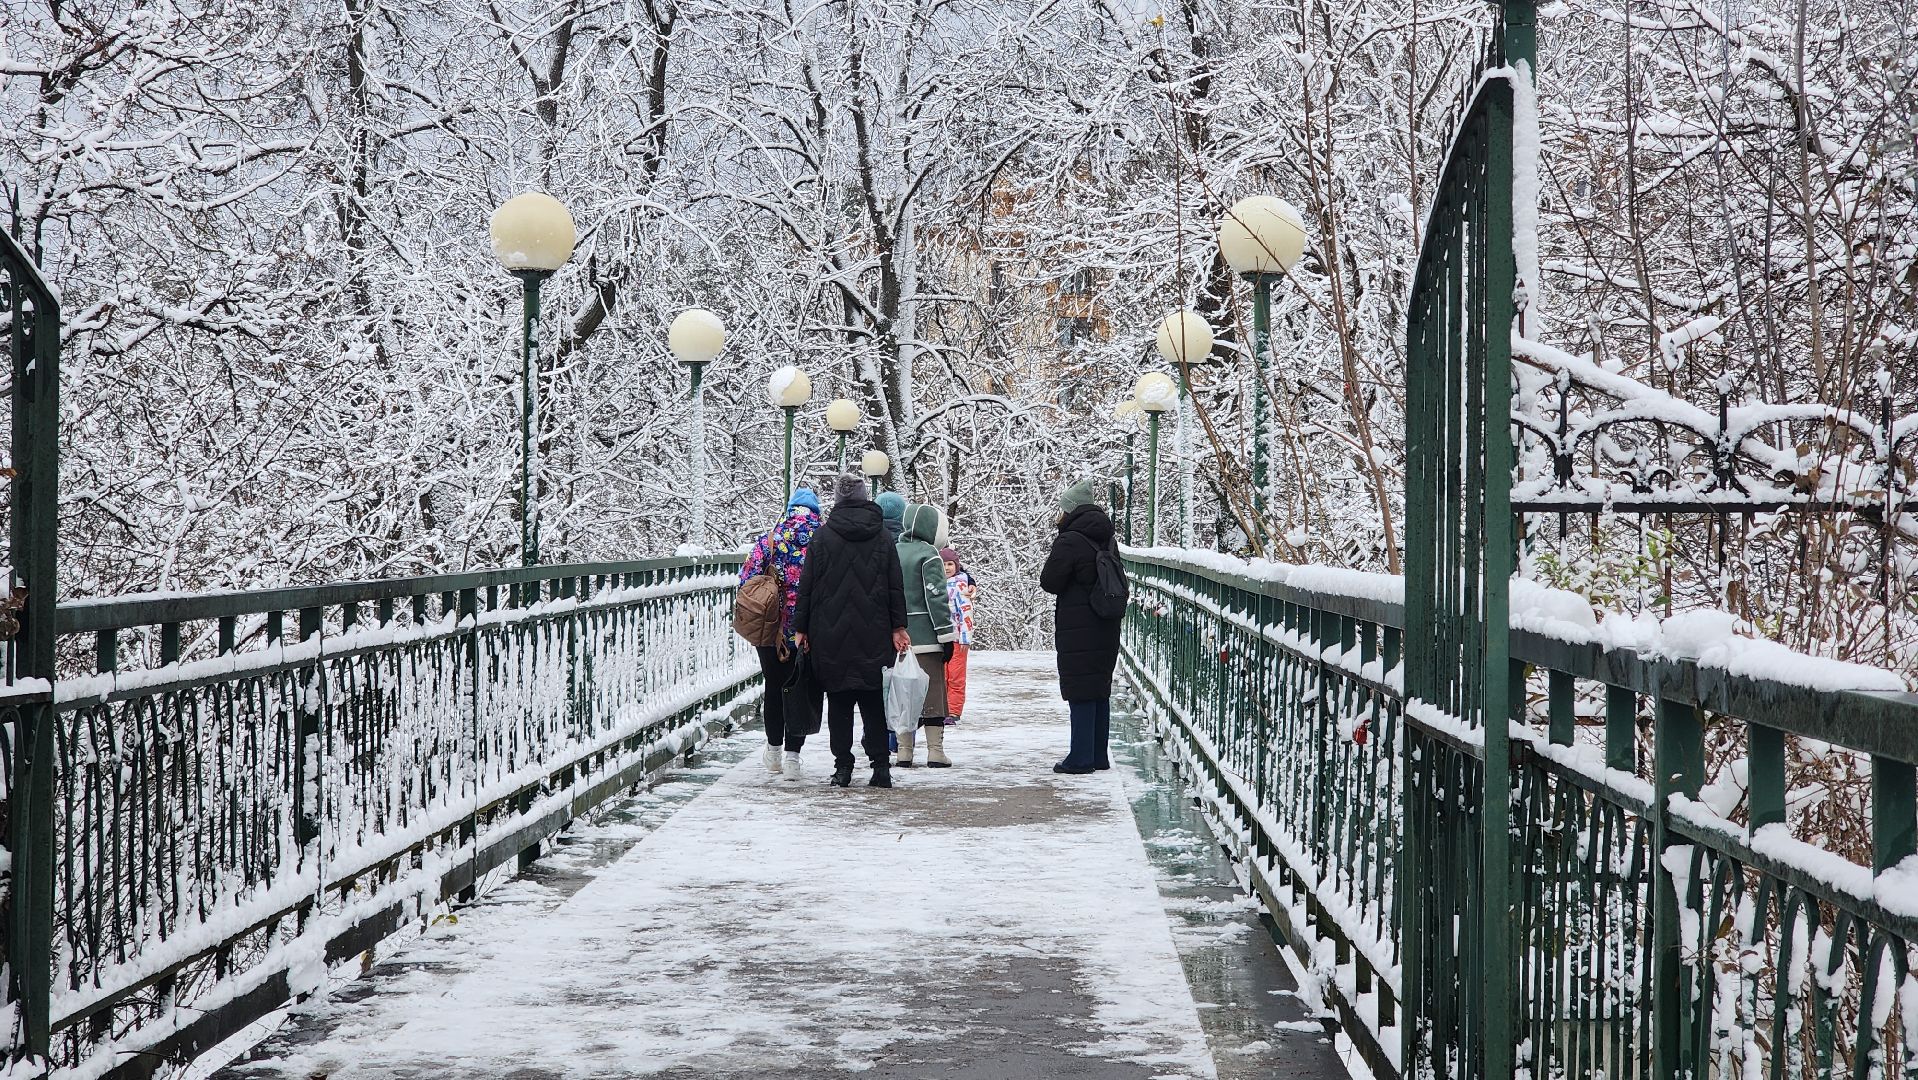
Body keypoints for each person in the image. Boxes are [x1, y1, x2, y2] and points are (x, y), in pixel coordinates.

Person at [794, 473, 910, 788]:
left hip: (830, 634)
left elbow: (807, 586)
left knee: (840, 702)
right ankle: (881, 768)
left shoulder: (823, 537)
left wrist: (801, 627)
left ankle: (843, 767)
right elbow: (895, 585)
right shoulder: (883, 536)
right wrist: (898, 626)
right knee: (873, 702)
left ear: (838, 501)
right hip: (875, 632)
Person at [738, 489, 824, 781]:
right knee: (799, 688)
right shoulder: (824, 541)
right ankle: (793, 758)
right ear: (815, 513)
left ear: (790, 511)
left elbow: (747, 579)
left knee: (774, 686)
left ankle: (773, 750)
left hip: (770, 627)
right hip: (809, 628)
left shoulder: (770, 540)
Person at [1039, 478, 1122, 774]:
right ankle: (1099, 755)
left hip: (1078, 624)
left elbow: (1050, 581)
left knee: (1080, 689)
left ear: (1071, 509)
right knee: (1099, 686)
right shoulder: (1107, 537)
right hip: (1106, 622)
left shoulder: (1070, 540)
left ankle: (1081, 757)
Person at [895, 504, 957, 767]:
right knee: (933, 693)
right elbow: (936, 598)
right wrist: (946, 635)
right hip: (927, 637)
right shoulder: (929, 555)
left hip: (898, 637)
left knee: (904, 694)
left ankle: (904, 751)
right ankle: (935, 751)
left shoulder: (893, 552)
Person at [940, 546, 974, 727]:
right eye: (943, 564)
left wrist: (965, 637)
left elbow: (966, 612)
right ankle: (942, 708)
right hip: (941, 637)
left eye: (950, 564)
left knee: (955, 676)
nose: (946, 568)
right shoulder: (936, 582)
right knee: (941, 676)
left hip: (958, 638)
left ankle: (953, 710)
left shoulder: (961, 584)